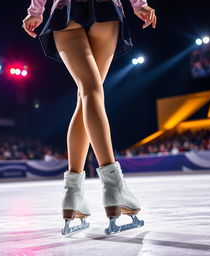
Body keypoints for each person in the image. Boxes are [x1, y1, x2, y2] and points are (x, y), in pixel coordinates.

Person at [22, 0, 157, 235]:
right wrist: (139, 4)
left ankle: (72, 194)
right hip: (104, 8)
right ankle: (114, 186)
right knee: (91, 91)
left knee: (86, 93)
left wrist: (36, 10)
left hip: (66, 10)